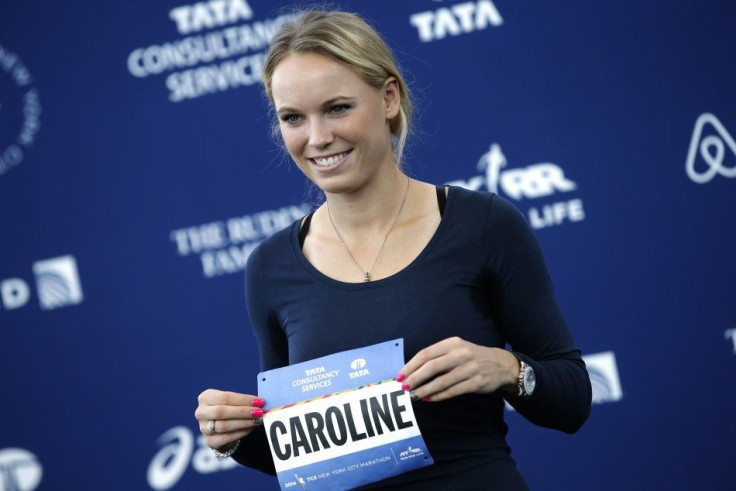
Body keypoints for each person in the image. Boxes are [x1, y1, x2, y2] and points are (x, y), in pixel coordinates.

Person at [195, 9, 591, 489]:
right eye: (293, 118)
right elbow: (302, 457)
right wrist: (234, 436)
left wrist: (508, 369)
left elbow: (572, 401)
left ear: (388, 97)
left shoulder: (482, 224)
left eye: (337, 108)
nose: (318, 138)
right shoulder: (271, 267)